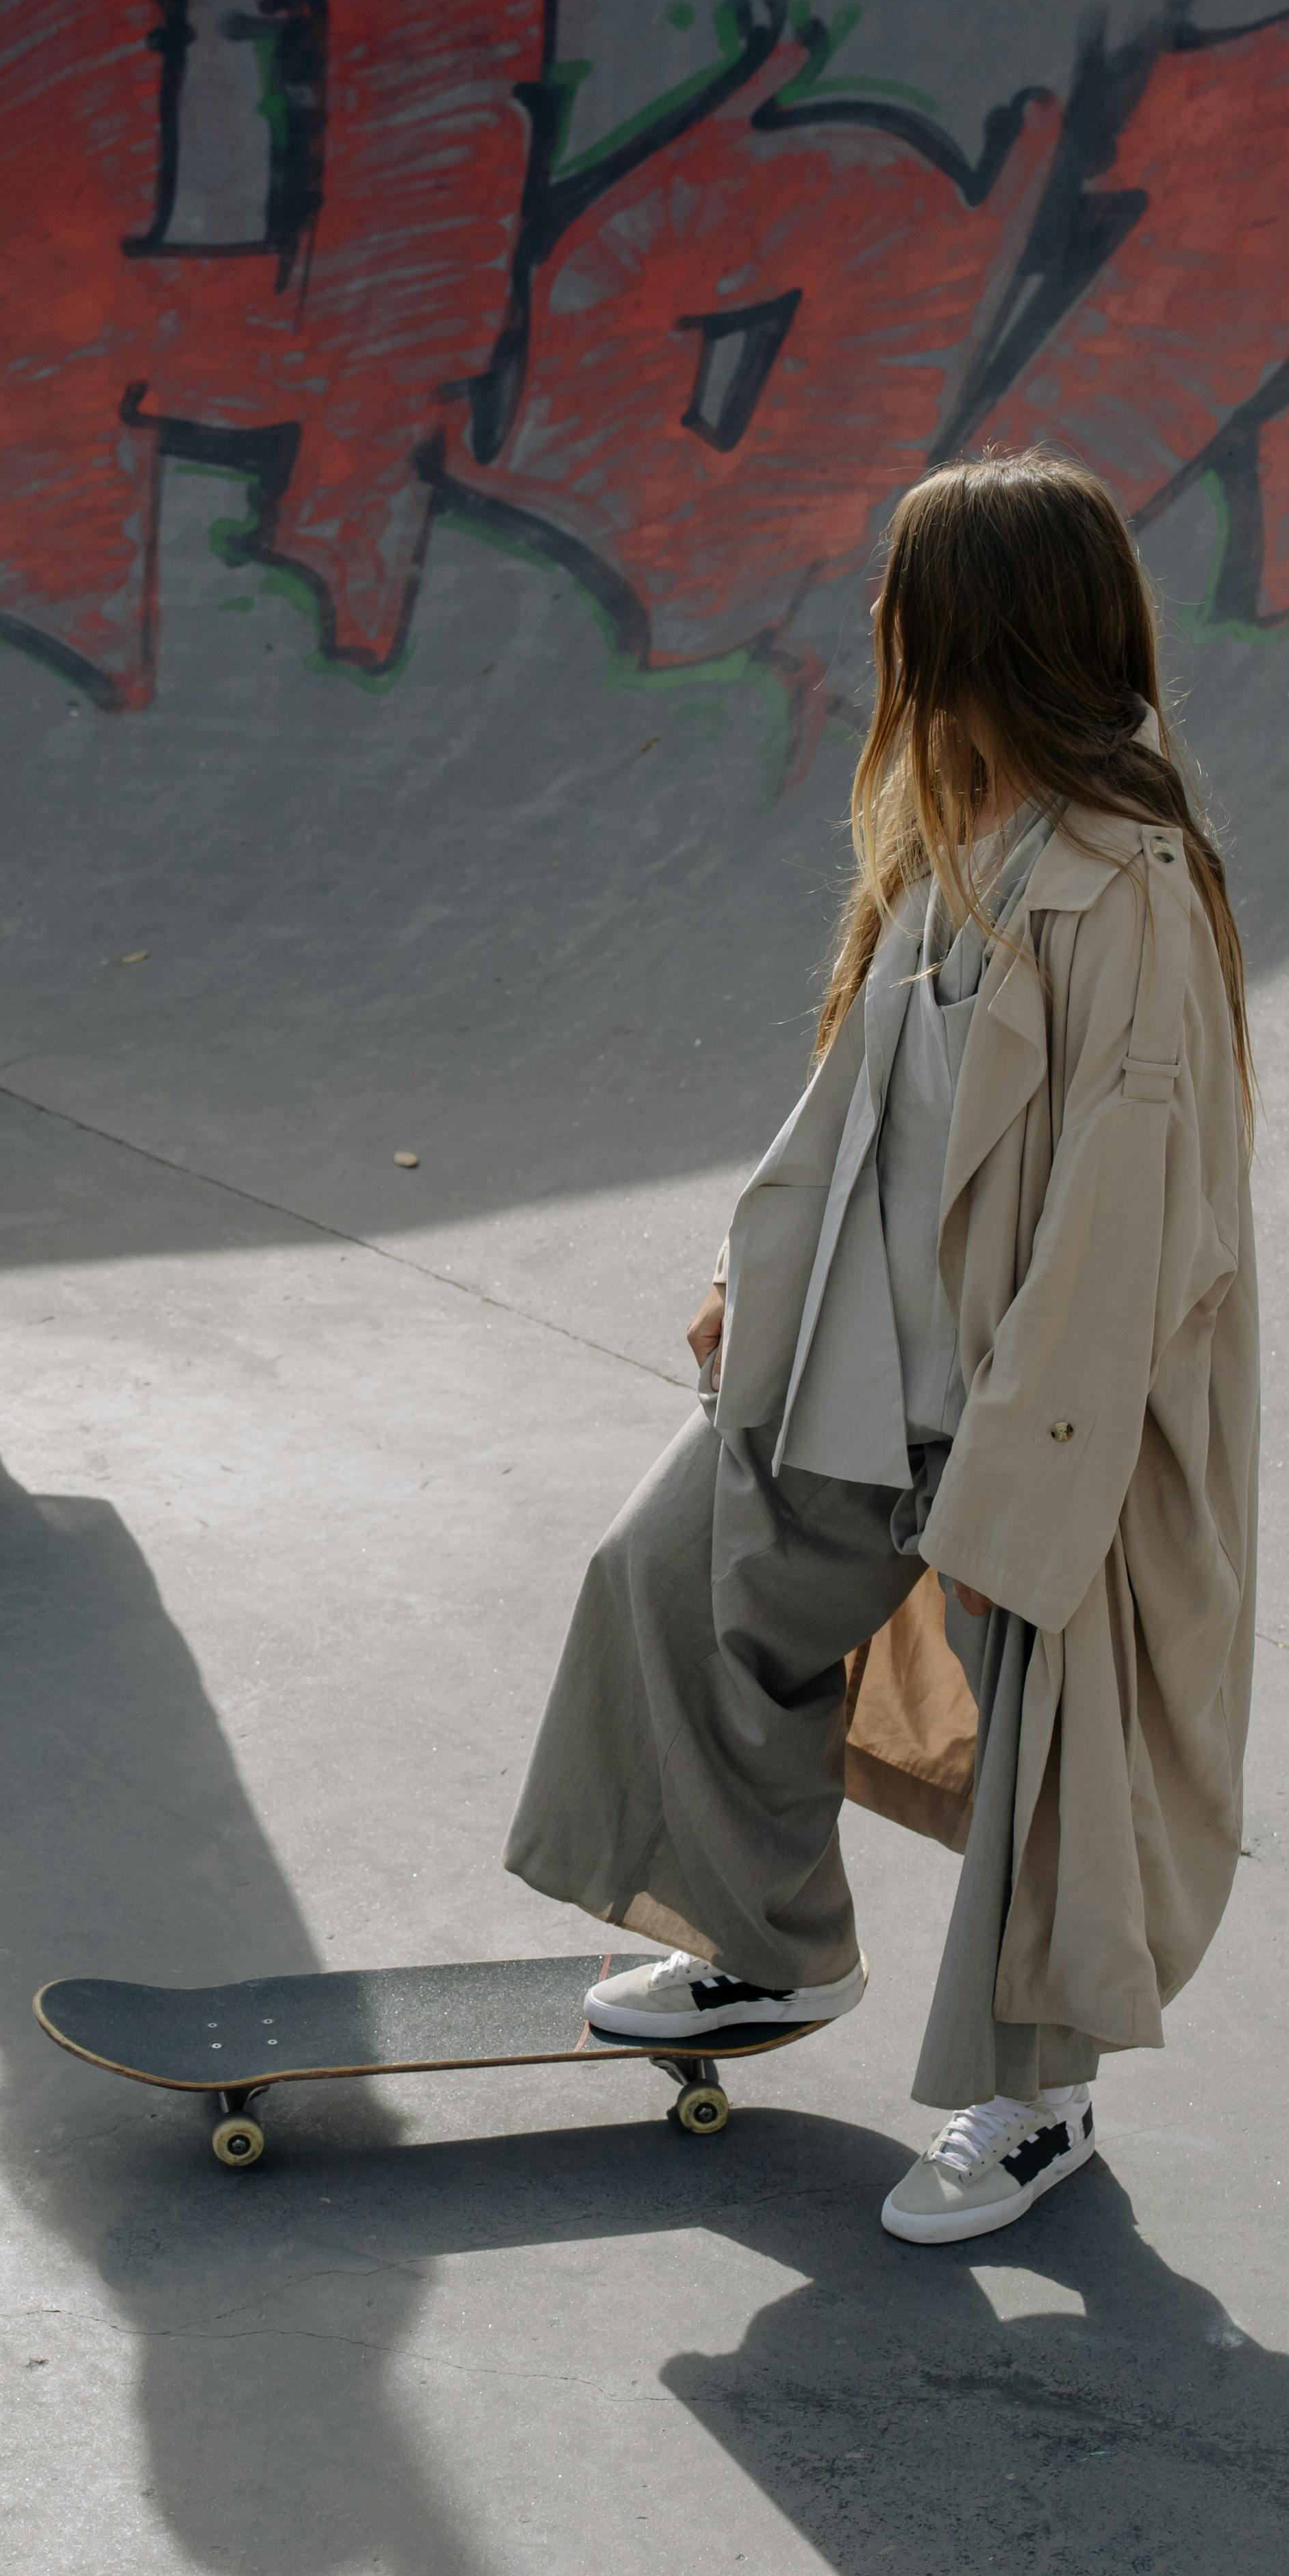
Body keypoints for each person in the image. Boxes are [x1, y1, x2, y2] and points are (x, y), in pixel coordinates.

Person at [505, 454, 1258, 2246]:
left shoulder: (1123, 885)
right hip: (852, 1366)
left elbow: (1124, 1220)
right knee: (669, 1579)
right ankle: (758, 1949)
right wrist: (739, 1279)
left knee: (1045, 1756)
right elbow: (860, 1105)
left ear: (977, 628)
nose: (872, 625)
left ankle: (1036, 2102)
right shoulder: (950, 832)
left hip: (1024, 1407)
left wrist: (1021, 1473)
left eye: (897, 596)